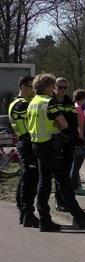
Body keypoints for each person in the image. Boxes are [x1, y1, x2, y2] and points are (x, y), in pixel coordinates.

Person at [27, 73, 85, 232]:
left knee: (43, 182)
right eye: (52, 86)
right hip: (51, 145)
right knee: (64, 182)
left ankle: (44, 219)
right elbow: (63, 124)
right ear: (47, 86)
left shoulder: (32, 102)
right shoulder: (48, 102)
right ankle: (80, 218)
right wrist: (61, 131)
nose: (54, 90)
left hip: (37, 144)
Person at [8, 75, 38, 227]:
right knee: (29, 179)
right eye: (31, 86)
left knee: (25, 177)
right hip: (27, 142)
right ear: (23, 87)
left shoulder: (22, 103)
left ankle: (24, 212)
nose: (34, 90)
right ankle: (27, 213)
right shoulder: (21, 105)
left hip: (24, 142)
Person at [53, 77, 78, 212]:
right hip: (54, 142)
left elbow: (74, 122)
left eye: (64, 87)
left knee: (66, 173)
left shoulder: (70, 103)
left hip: (67, 142)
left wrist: (72, 137)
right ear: (54, 87)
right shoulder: (50, 101)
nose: (62, 90)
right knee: (58, 173)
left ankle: (65, 200)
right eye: (59, 87)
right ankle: (59, 200)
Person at [71, 89, 85, 195]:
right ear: (83, 98)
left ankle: (76, 185)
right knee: (77, 164)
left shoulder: (74, 107)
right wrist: (82, 138)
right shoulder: (78, 109)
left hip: (75, 139)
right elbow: (79, 125)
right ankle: (74, 187)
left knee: (75, 164)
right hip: (79, 140)